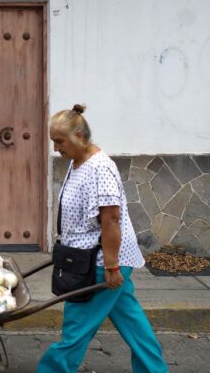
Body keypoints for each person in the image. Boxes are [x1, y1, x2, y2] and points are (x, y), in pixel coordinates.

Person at [37, 104, 168, 373]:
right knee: (132, 323)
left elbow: (110, 220)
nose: (56, 148)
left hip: (98, 264)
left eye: (59, 141)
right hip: (89, 258)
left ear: (79, 136)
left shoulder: (99, 169)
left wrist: (111, 267)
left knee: (76, 330)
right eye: (53, 142)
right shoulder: (78, 163)